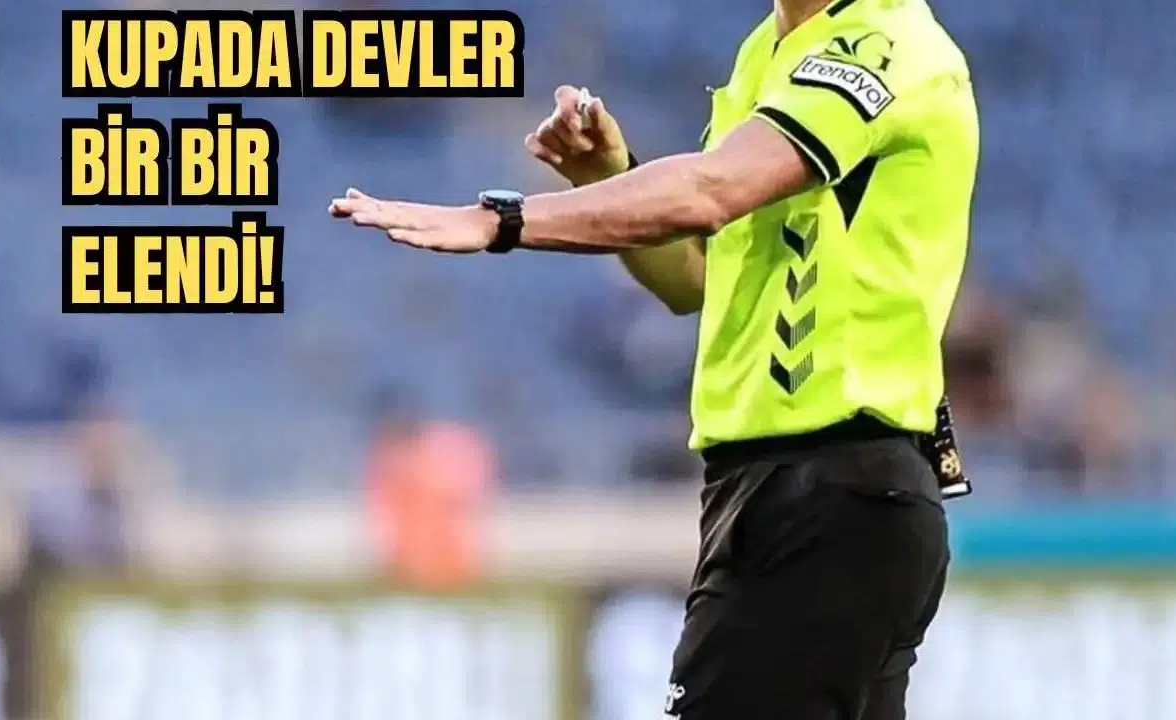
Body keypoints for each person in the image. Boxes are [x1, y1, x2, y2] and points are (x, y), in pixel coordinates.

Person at [331, 0, 978, 717]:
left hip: (834, 486)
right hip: (781, 491)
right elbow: (694, 278)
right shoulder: (768, 51)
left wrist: (502, 219)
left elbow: (709, 190)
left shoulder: (883, 43)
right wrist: (608, 173)